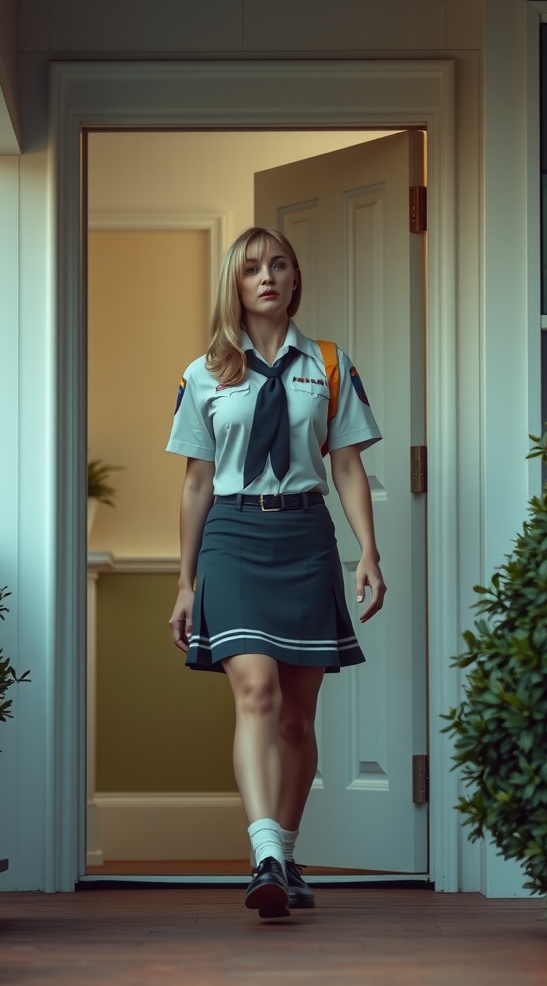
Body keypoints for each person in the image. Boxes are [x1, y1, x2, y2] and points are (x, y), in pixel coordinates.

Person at [167, 226, 386, 920]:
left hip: (304, 533)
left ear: (296, 280)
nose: (267, 277)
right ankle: (262, 853)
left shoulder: (328, 362)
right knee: (256, 691)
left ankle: (286, 856)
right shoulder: (202, 373)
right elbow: (197, 482)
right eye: (253, 268)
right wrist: (184, 580)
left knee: (297, 716)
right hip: (232, 534)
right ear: (235, 283)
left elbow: (348, 464)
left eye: (280, 265)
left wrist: (370, 553)